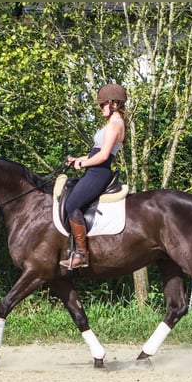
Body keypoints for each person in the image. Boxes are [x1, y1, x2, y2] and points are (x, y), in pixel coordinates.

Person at [60, 83, 127, 269]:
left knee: (72, 204)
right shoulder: (111, 124)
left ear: (114, 103)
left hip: (100, 172)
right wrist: (78, 159)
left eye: (102, 104)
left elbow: (104, 156)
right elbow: (94, 153)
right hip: (95, 169)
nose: (100, 108)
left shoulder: (115, 125)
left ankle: (82, 254)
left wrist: (84, 163)